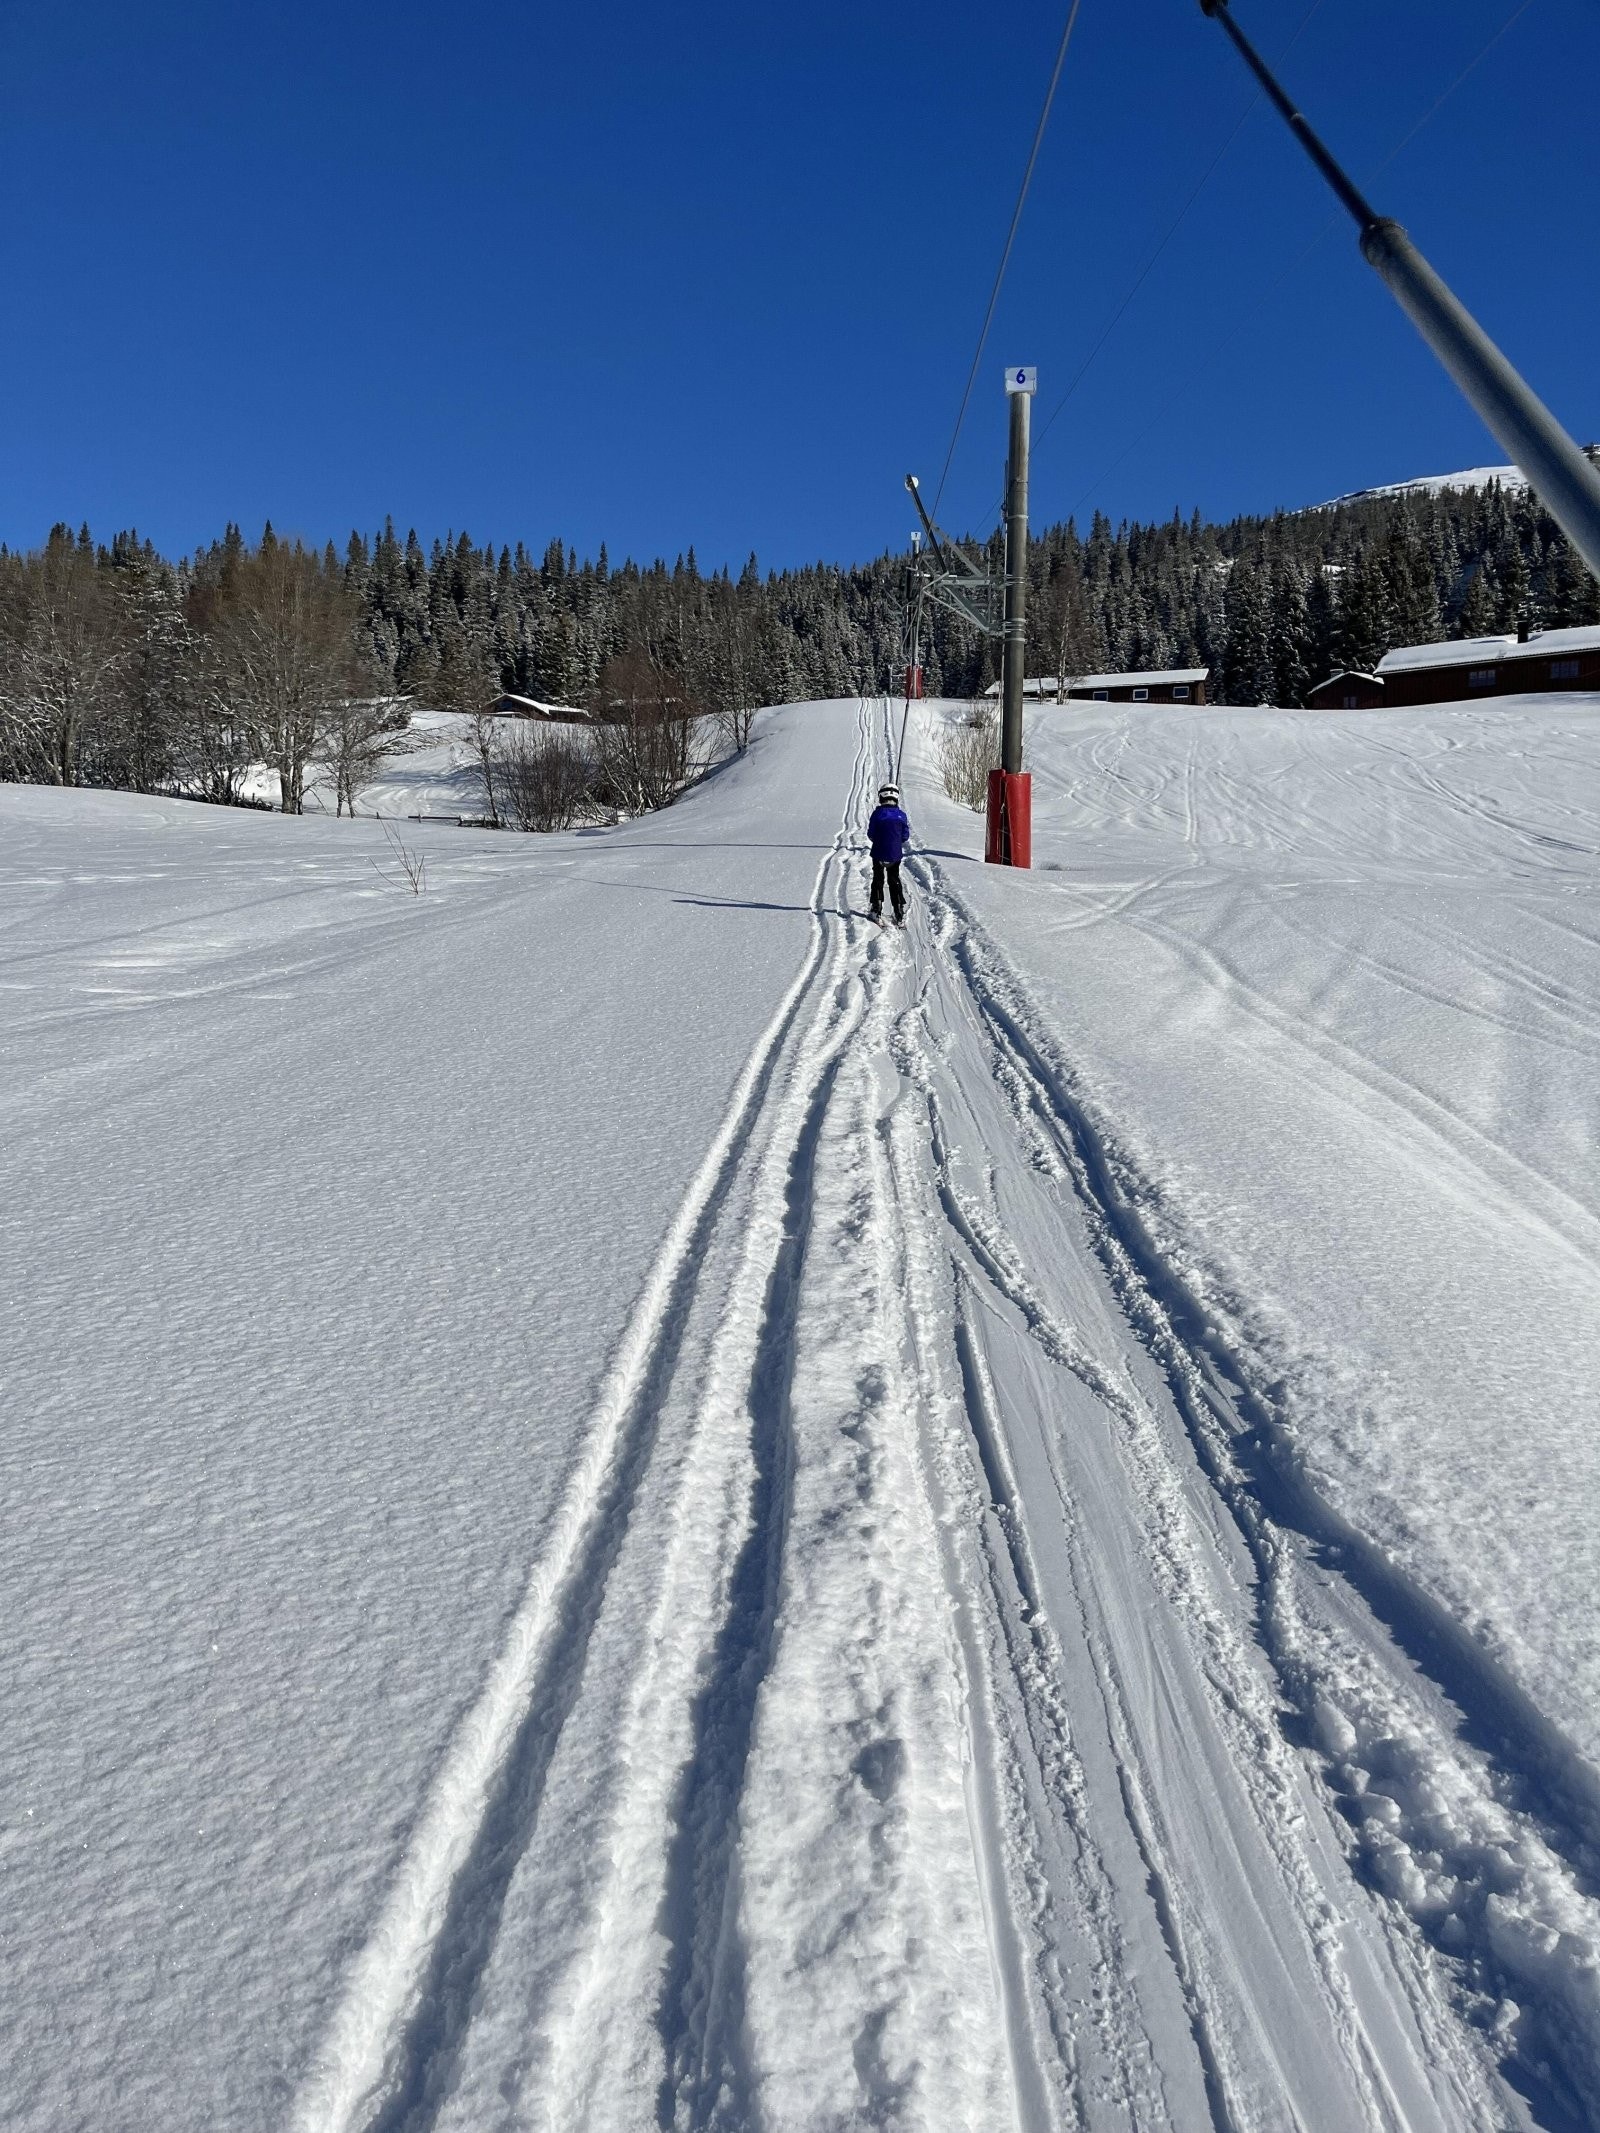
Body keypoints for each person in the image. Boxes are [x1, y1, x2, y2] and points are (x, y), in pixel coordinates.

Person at [867, 782, 910, 925]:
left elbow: (870, 834)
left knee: (878, 880)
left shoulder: (877, 814)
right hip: (894, 855)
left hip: (878, 853)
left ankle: (876, 908)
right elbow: (905, 836)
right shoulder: (901, 815)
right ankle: (898, 911)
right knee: (894, 880)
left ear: (881, 797)